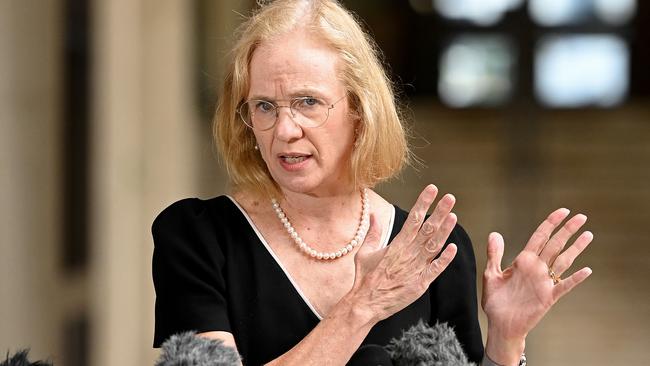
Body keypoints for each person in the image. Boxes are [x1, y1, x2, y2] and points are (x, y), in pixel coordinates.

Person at [151, 1, 593, 365]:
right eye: (264, 106)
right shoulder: (197, 236)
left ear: (361, 109)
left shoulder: (433, 249)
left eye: (308, 102)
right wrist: (362, 306)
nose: (283, 130)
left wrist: (507, 340)